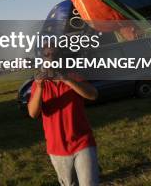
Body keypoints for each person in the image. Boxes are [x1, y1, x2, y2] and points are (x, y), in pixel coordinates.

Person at [28, 46, 100, 186]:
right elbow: (33, 113)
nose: (51, 57)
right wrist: (40, 87)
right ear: (42, 59)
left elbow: (93, 95)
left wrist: (66, 79)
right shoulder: (38, 84)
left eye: (54, 54)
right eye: (46, 54)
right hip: (57, 147)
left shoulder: (73, 76)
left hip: (82, 142)